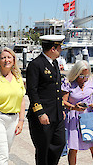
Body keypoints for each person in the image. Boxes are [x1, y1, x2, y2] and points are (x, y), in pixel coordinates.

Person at [26, 35, 66, 165]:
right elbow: (32, 91)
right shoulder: (36, 64)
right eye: (59, 48)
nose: (61, 50)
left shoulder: (54, 63)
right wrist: (40, 113)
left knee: (59, 143)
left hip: (57, 114)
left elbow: (57, 89)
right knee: (43, 149)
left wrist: (61, 109)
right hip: (43, 115)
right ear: (53, 49)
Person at [62, 60, 93, 165]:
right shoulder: (68, 83)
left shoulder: (92, 81)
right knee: (73, 148)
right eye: (81, 76)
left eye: (86, 76)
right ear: (76, 73)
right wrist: (73, 107)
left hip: (89, 117)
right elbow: (62, 101)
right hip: (74, 118)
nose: (84, 79)